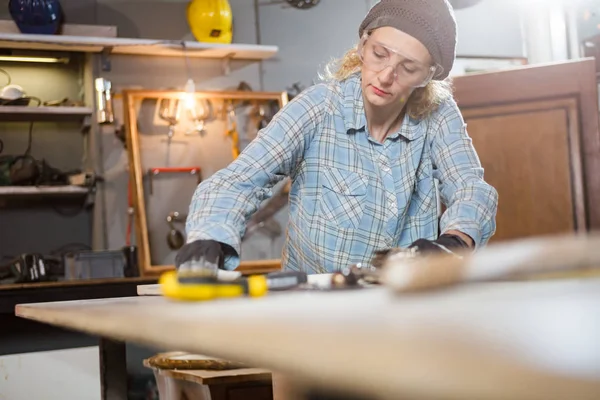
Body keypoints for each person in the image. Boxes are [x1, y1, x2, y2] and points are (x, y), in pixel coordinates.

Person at [175, 0, 498, 274]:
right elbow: (238, 182)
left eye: (408, 67)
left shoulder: (438, 114)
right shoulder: (318, 106)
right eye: (380, 54)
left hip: (406, 308)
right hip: (316, 310)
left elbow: (470, 187)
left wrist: (455, 241)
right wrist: (209, 239)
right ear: (362, 43)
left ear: (428, 75)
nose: (386, 77)